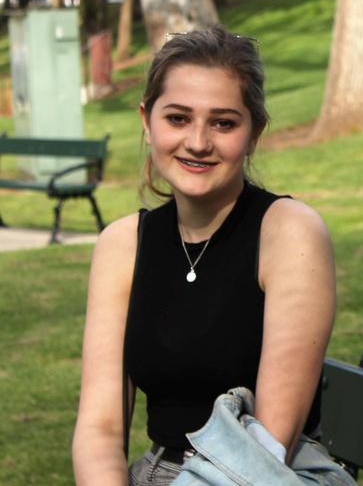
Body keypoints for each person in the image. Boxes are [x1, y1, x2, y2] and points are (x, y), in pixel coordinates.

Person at [72, 25, 337, 485]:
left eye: (223, 122)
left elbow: (270, 441)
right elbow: (99, 430)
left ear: (254, 134)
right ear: (146, 121)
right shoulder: (121, 245)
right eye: (177, 118)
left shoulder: (290, 233)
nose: (197, 142)